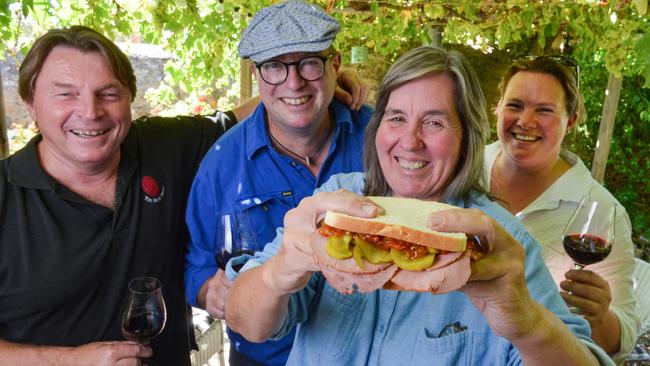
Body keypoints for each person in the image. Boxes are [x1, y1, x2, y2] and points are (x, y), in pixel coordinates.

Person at [224, 45, 614, 365]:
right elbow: (246, 322)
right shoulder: (337, 201)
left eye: (434, 122)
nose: (410, 141)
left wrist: (527, 323)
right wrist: (282, 269)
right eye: (396, 118)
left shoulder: (498, 241)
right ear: (377, 129)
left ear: (467, 136)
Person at [0, 25, 366, 366]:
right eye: (65, 94)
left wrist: (322, 81)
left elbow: (258, 109)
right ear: (30, 103)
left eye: (108, 93)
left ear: (129, 97)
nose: (89, 112)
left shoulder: (164, 146)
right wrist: (70, 361)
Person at [183, 1, 373, 365]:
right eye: (274, 66)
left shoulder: (379, 139)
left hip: (366, 355)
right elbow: (195, 263)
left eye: (309, 63)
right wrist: (208, 289)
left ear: (336, 66)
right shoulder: (222, 164)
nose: (294, 81)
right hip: (264, 359)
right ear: (257, 75)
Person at [486, 55, 638, 362]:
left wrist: (600, 317)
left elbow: (622, 339)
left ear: (570, 121)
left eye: (544, 110)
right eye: (515, 105)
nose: (526, 121)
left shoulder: (602, 209)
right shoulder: (462, 168)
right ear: (498, 109)